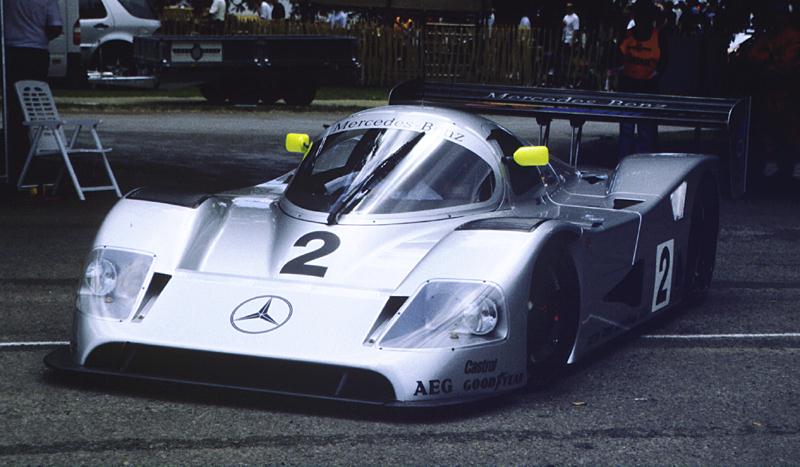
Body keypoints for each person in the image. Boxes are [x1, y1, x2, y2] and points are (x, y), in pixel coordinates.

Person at [3, 0, 63, 193]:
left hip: (12, 50)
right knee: (35, 106)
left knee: (14, 108)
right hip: (36, 50)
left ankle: (14, 154)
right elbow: (55, 26)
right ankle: (33, 154)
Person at [617, 0, 668, 157]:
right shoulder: (627, 35)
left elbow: (664, 62)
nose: (641, 19)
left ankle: (644, 162)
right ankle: (624, 161)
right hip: (628, 87)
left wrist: (653, 75)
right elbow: (618, 58)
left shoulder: (658, 37)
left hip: (648, 89)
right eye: (639, 15)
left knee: (646, 130)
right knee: (626, 129)